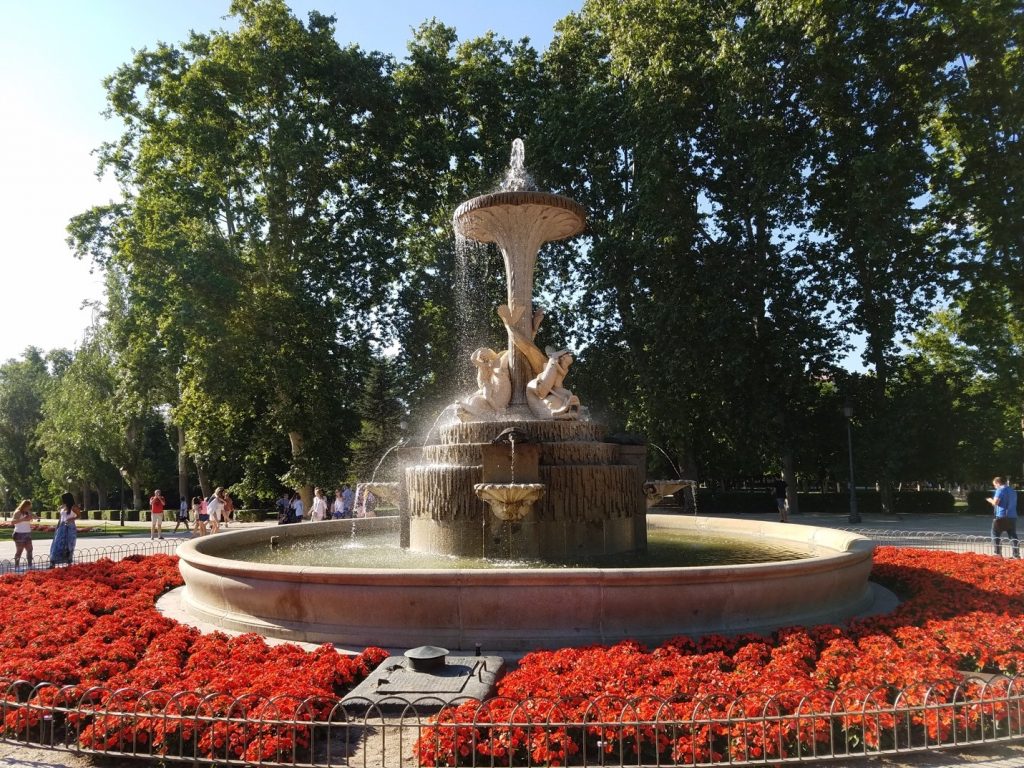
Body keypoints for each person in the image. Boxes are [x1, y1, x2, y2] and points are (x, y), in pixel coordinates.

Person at [988, 476, 1019, 558]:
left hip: (1001, 515)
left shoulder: (1000, 490)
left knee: (995, 533)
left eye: (994, 485)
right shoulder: (1012, 490)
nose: (995, 487)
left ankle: (997, 553)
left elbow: (995, 503)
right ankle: (1016, 555)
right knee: (1012, 535)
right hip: (1012, 515)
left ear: (998, 483)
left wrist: (990, 500)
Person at [49, 492, 78, 567]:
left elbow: (78, 515)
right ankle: (53, 562)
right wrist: (57, 526)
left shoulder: (74, 507)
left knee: (69, 544)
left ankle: (69, 562)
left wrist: (71, 519)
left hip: (70, 527)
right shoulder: (63, 506)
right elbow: (60, 518)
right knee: (57, 543)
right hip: (62, 527)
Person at [11, 499, 34, 569]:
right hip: (19, 534)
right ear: (24, 506)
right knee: (19, 551)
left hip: (27, 533)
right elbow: (12, 522)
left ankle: (30, 565)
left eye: (29, 507)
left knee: (30, 550)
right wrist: (23, 519)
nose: (29, 508)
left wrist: (33, 517)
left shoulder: (27, 512)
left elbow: (33, 517)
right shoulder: (18, 512)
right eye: (28, 506)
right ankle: (17, 566)